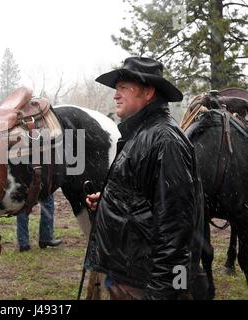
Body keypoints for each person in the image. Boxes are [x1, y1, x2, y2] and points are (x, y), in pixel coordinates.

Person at [85, 57, 204, 300]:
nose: (115, 95)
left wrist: (161, 293)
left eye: (123, 88)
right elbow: (142, 197)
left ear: (148, 91)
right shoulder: (139, 133)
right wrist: (109, 201)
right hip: (126, 272)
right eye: (116, 89)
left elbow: (176, 229)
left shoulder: (165, 141)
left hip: (143, 282)